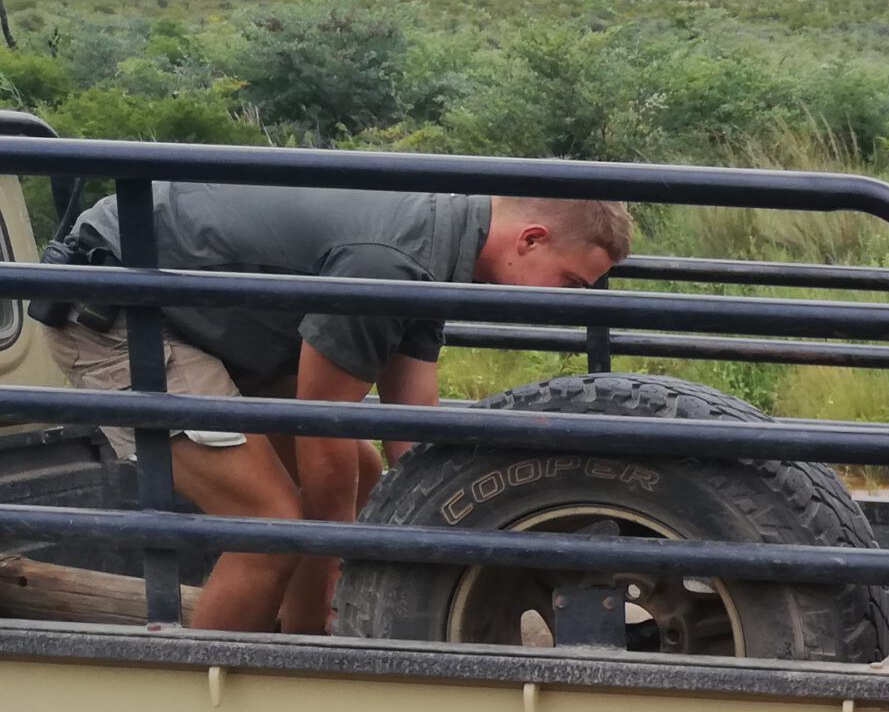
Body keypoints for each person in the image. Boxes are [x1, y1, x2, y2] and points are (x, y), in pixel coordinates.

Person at [39, 184, 633, 634]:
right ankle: (199, 707)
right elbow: (321, 434)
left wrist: (460, 529)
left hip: (209, 320)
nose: (569, 305)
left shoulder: (446, 250)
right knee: (267, 524)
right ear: (530, 240)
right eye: (572, 284)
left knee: (364, 478)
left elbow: (409, 432)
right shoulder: (390, 264)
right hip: (120, 307)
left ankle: (302, 655)